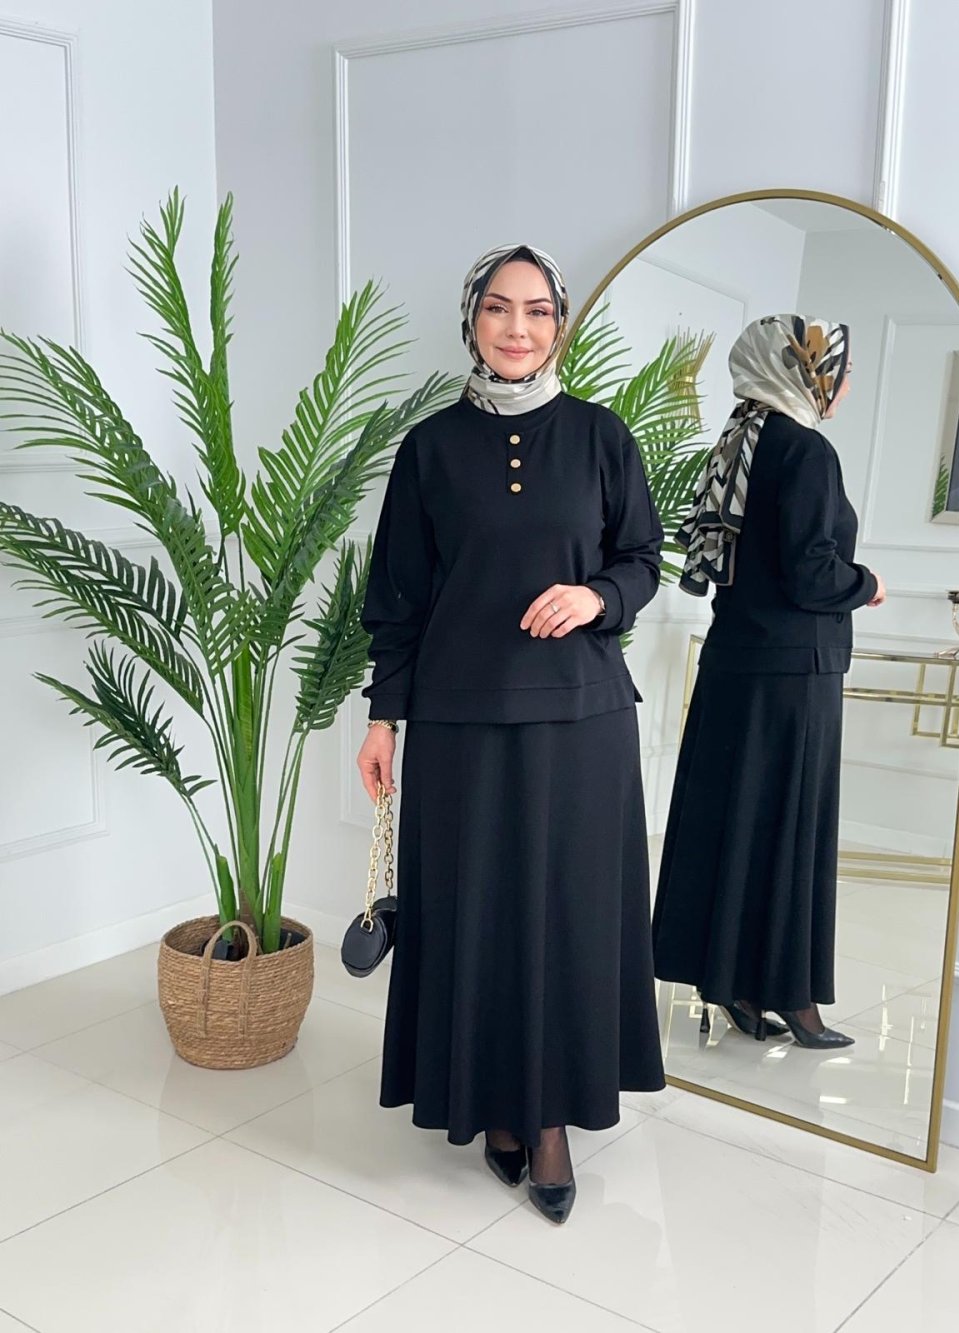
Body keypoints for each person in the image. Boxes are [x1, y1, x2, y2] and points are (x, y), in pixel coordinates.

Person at [355, 243, 666, 1224]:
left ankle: (551, 1119)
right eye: (498, 308)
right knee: (473, 914)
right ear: (472, 319)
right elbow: (397, 597)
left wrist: (596, 595)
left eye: (537, 310)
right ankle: (490, 1103)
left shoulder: (602, 436)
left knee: (567, 917)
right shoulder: (430, 448)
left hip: (582, 721)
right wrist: (382, 717)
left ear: (559, 323)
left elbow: (643, 557)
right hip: (459, 723)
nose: (518, 327)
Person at [651, 314, 886, 1049]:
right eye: (839, 370)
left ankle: (736, 984)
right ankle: (792, 996)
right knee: (787, 829)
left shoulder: (739, 441)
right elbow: (813, 574)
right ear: (807, 372)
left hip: (733, 667)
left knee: (737, 822)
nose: (844, 383)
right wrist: (868, 583)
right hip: (792, 677)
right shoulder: (805, 450)